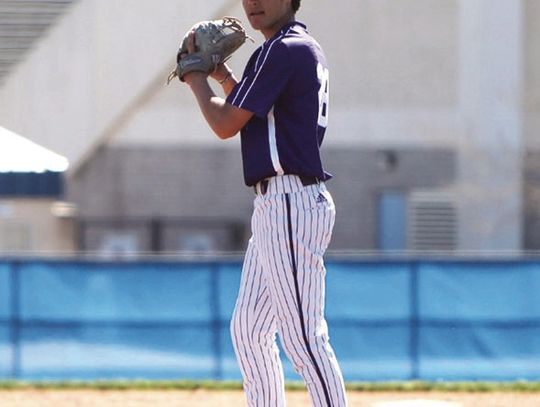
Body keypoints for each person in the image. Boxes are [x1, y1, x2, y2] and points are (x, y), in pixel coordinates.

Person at [181, 0, 348, 405]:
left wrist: (194, 78)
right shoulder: (287, 47)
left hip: (291, 202)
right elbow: (258, 114)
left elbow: (225, 124)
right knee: (250, 329)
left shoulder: (283, 50)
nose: (253, 2)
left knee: (304, 336)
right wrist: (222, 77)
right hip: (278, 205)